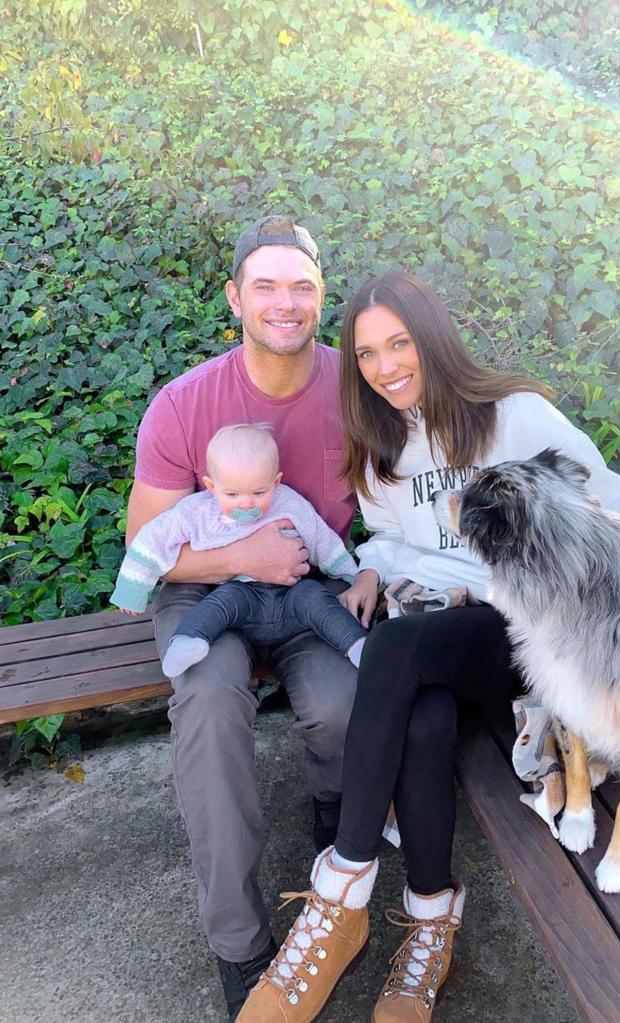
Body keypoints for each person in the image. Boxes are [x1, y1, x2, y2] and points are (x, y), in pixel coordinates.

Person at [237, 269, 620, 1023]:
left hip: (535, 633)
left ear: (432, 338)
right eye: (367, 353)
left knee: (396, 652)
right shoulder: (380, 441)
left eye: (399, 343)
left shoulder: (516, 416)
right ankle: (431, 919)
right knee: (425, 715)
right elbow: (387, 535)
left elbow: (614, 504)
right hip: (446, 623)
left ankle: (339, 892)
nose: (385, 367)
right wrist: (373, 566)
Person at [125, 216, 376, 1021]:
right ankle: (238, 939)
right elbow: (149, 549)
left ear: (321, 296)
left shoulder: (356, 390)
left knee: (345, 702)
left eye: (301, 285)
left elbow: (411, 494)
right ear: (235, 297)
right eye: (265, 284)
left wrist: (376, 562)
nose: (285, 301)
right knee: (207, 702)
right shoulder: (185, 404)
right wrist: (243, 560)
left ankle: (335, 811)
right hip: (205, 592)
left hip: (307, 584)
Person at [112, 423, 367, 675]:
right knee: (220, 602)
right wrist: (133, 586)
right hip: (244, 601)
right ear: (212, 487)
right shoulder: (198, 513)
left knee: (315, 596)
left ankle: (357, 646)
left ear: (276, 482)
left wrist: (351, 577)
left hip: (291, 599)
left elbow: (322, 541)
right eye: (233, 494)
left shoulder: (289, 504)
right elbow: (153, 540)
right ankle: (188, 642)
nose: (246, 503)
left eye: (258, 492)